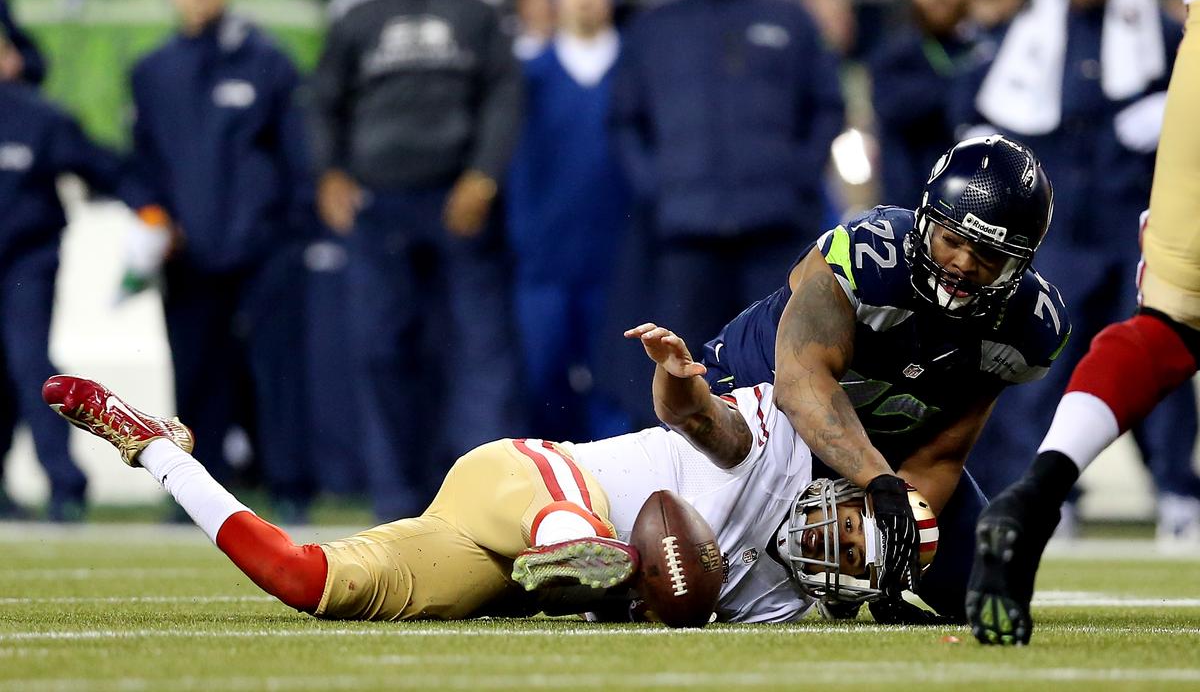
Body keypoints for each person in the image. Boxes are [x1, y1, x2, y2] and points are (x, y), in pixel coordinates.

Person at [43, 319, 938, 624]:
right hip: (527, 482)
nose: (842, 547)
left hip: (494, 562)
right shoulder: (784, 441)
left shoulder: (788, 605)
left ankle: (150, 443)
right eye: (860, 527)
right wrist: (675, 380)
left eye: (861, 561)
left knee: (305, 581)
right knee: (597, 551)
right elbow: (707, 427)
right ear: (859, 494)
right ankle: (578, 552)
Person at [968, 0, 1200, 646]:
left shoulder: (1157, 23)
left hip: (1175, 151)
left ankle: (1040, 489)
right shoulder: (1040, 34)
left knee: (1165, 329)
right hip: (1073, 222)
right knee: (1055, 349)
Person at [702, 135, 1067, 621]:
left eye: (986, 254)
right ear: (924, 222)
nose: (961, 262)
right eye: (952, 239)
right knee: (691, 569)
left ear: (1018, 265)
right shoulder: (866, 258)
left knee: (982, 592)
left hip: (881, 446)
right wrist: (877, 482)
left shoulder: (1023, 329)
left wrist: (891, 552)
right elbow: (802, 387)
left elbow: (941, 455)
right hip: (757, 417)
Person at [309, 0, 523, 519]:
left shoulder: (481, 2)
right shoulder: (354, 8)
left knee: (479, 352)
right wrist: (330, 173)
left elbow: (505, 94)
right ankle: (396, 504)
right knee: (381, 352)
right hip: (379, 206)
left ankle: (485, 504)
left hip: (459, 202)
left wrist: (484, 174)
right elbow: (323, 102)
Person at [123, 0, 314, 518]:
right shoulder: (151, 71)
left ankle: (287, 489)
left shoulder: (269, 60)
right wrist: (154, 218)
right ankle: (196, 496)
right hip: (187, 251)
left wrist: (290, 234)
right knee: (196, 374)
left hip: (263, 249)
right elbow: (142, 163)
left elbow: (298, 157)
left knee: (277, 371)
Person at [611, 0, 844, 357]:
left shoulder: (789, 14)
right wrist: (657, 188)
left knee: (779, 366)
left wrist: (797, 177)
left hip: (775, 230)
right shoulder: (653, 22)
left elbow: (827, 104)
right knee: (685, 367)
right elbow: (625, 121)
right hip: (684, 235)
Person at [0, 30, 144, 520]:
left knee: (27, 361)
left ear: (14, 59)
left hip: (25, 263)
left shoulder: (39, 117)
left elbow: (103, 166)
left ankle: (65, 485)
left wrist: (150, 206)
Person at [507, 0, 630, 442]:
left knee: (618, 380)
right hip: (544, 259)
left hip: (618, 258)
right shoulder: (526, 75)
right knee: (543, 374)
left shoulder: (636, 68)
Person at [871, 0, 988, 207]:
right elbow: (897, 109)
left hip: (984, 215)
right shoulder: (894, 56)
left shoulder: (992, 48)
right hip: (911, 214)